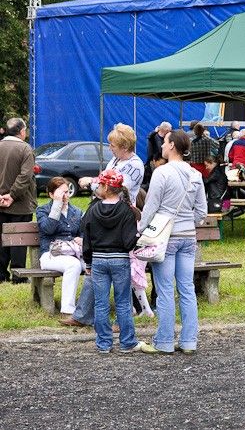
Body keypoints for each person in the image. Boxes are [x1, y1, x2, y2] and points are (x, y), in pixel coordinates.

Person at [139, 130, 207, 354]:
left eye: (164, 142)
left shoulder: (162, 172)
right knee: (187, 288)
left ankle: (164, 341)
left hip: (165, 237)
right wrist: (187, 222)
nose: (161, 145)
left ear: (171, 146)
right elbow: (202, 212)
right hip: (188, 237)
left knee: (165, 290)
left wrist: (141, 230)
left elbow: (151, 206)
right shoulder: (195, 174)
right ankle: (189, 341)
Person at [81, 169, 144, 353]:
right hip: (120, 259)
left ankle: (103, 344)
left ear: (106, 187)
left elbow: (87, 239)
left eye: (100, 184)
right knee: (123, 302)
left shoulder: (93, 209)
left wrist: (88, 262)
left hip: (98, 260)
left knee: (101, 303)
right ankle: (127, 342)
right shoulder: (127, 210)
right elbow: (129, 242)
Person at [36, 177, 84, 317]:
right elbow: (48, 229)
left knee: (97, 265)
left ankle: (88, 307)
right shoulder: (43, 210)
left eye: (67, 192)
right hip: (50, 255)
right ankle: (68, 310)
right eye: (61, 193)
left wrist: (82, 239)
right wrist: (57, 205)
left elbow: (83, 232)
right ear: (51, 194)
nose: (66, 196)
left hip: (74, 253)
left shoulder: (76, 211)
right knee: (73, 265)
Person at [0, 118, 37, 283]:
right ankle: (18, 276)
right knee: (19, 240)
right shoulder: (25, 149)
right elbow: (25, 176)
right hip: (20, 204)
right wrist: (13, 195)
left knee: (1, 239)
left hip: (1, 203)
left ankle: (1, 274)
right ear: (22, 131)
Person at [79, 123, 144, 203]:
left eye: (113, 146)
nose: (109, 148)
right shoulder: (116, 159)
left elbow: (114, 191)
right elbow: (103, 180)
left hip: (119, 208)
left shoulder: (135, 165)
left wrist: (91, 182)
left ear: (125, 147)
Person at [145, 121, 172, 186]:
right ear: (167, 130)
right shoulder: (153, 137)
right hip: (156, 162)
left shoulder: (155, 137)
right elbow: (155, 151)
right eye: (169, 131)